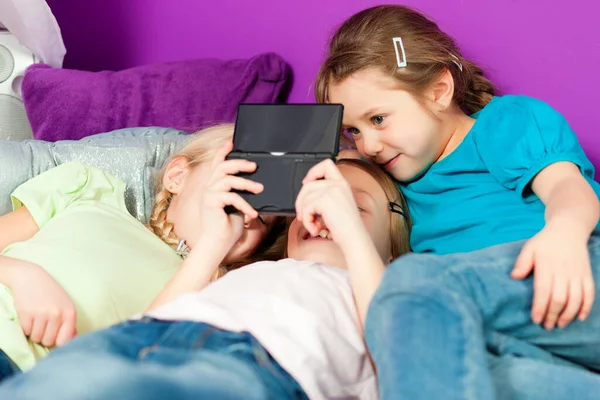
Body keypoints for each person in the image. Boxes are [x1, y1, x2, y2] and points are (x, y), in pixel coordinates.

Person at [314, 4, 600, 399]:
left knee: (411, 283)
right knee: (475, 372)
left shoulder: (502, 124)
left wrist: (564, 234)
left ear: (438, 91)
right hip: (512, 339)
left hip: (570, 272)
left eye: (378, 119)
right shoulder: (392, 191)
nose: (369, 145)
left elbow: (569, 189)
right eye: (352, 131)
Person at [0, 156, 411, 400]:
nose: (323, 214)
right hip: (133, 341)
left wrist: (353, 237)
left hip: (251, 363)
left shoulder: (384, 290)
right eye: (311, 204)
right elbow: (152, 318)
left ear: (391, 252)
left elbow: (400, 359)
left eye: (350, 206)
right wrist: (215, 241)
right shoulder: (246, 273)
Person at [0, 124, 286, 381]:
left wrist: (215, 242)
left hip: (28, 377)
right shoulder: (89, 192)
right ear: (177, 176)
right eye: (235, 184)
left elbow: (138, 358)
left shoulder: (214, 297)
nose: (246, 213)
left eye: (261, 218)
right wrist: (23, 275)